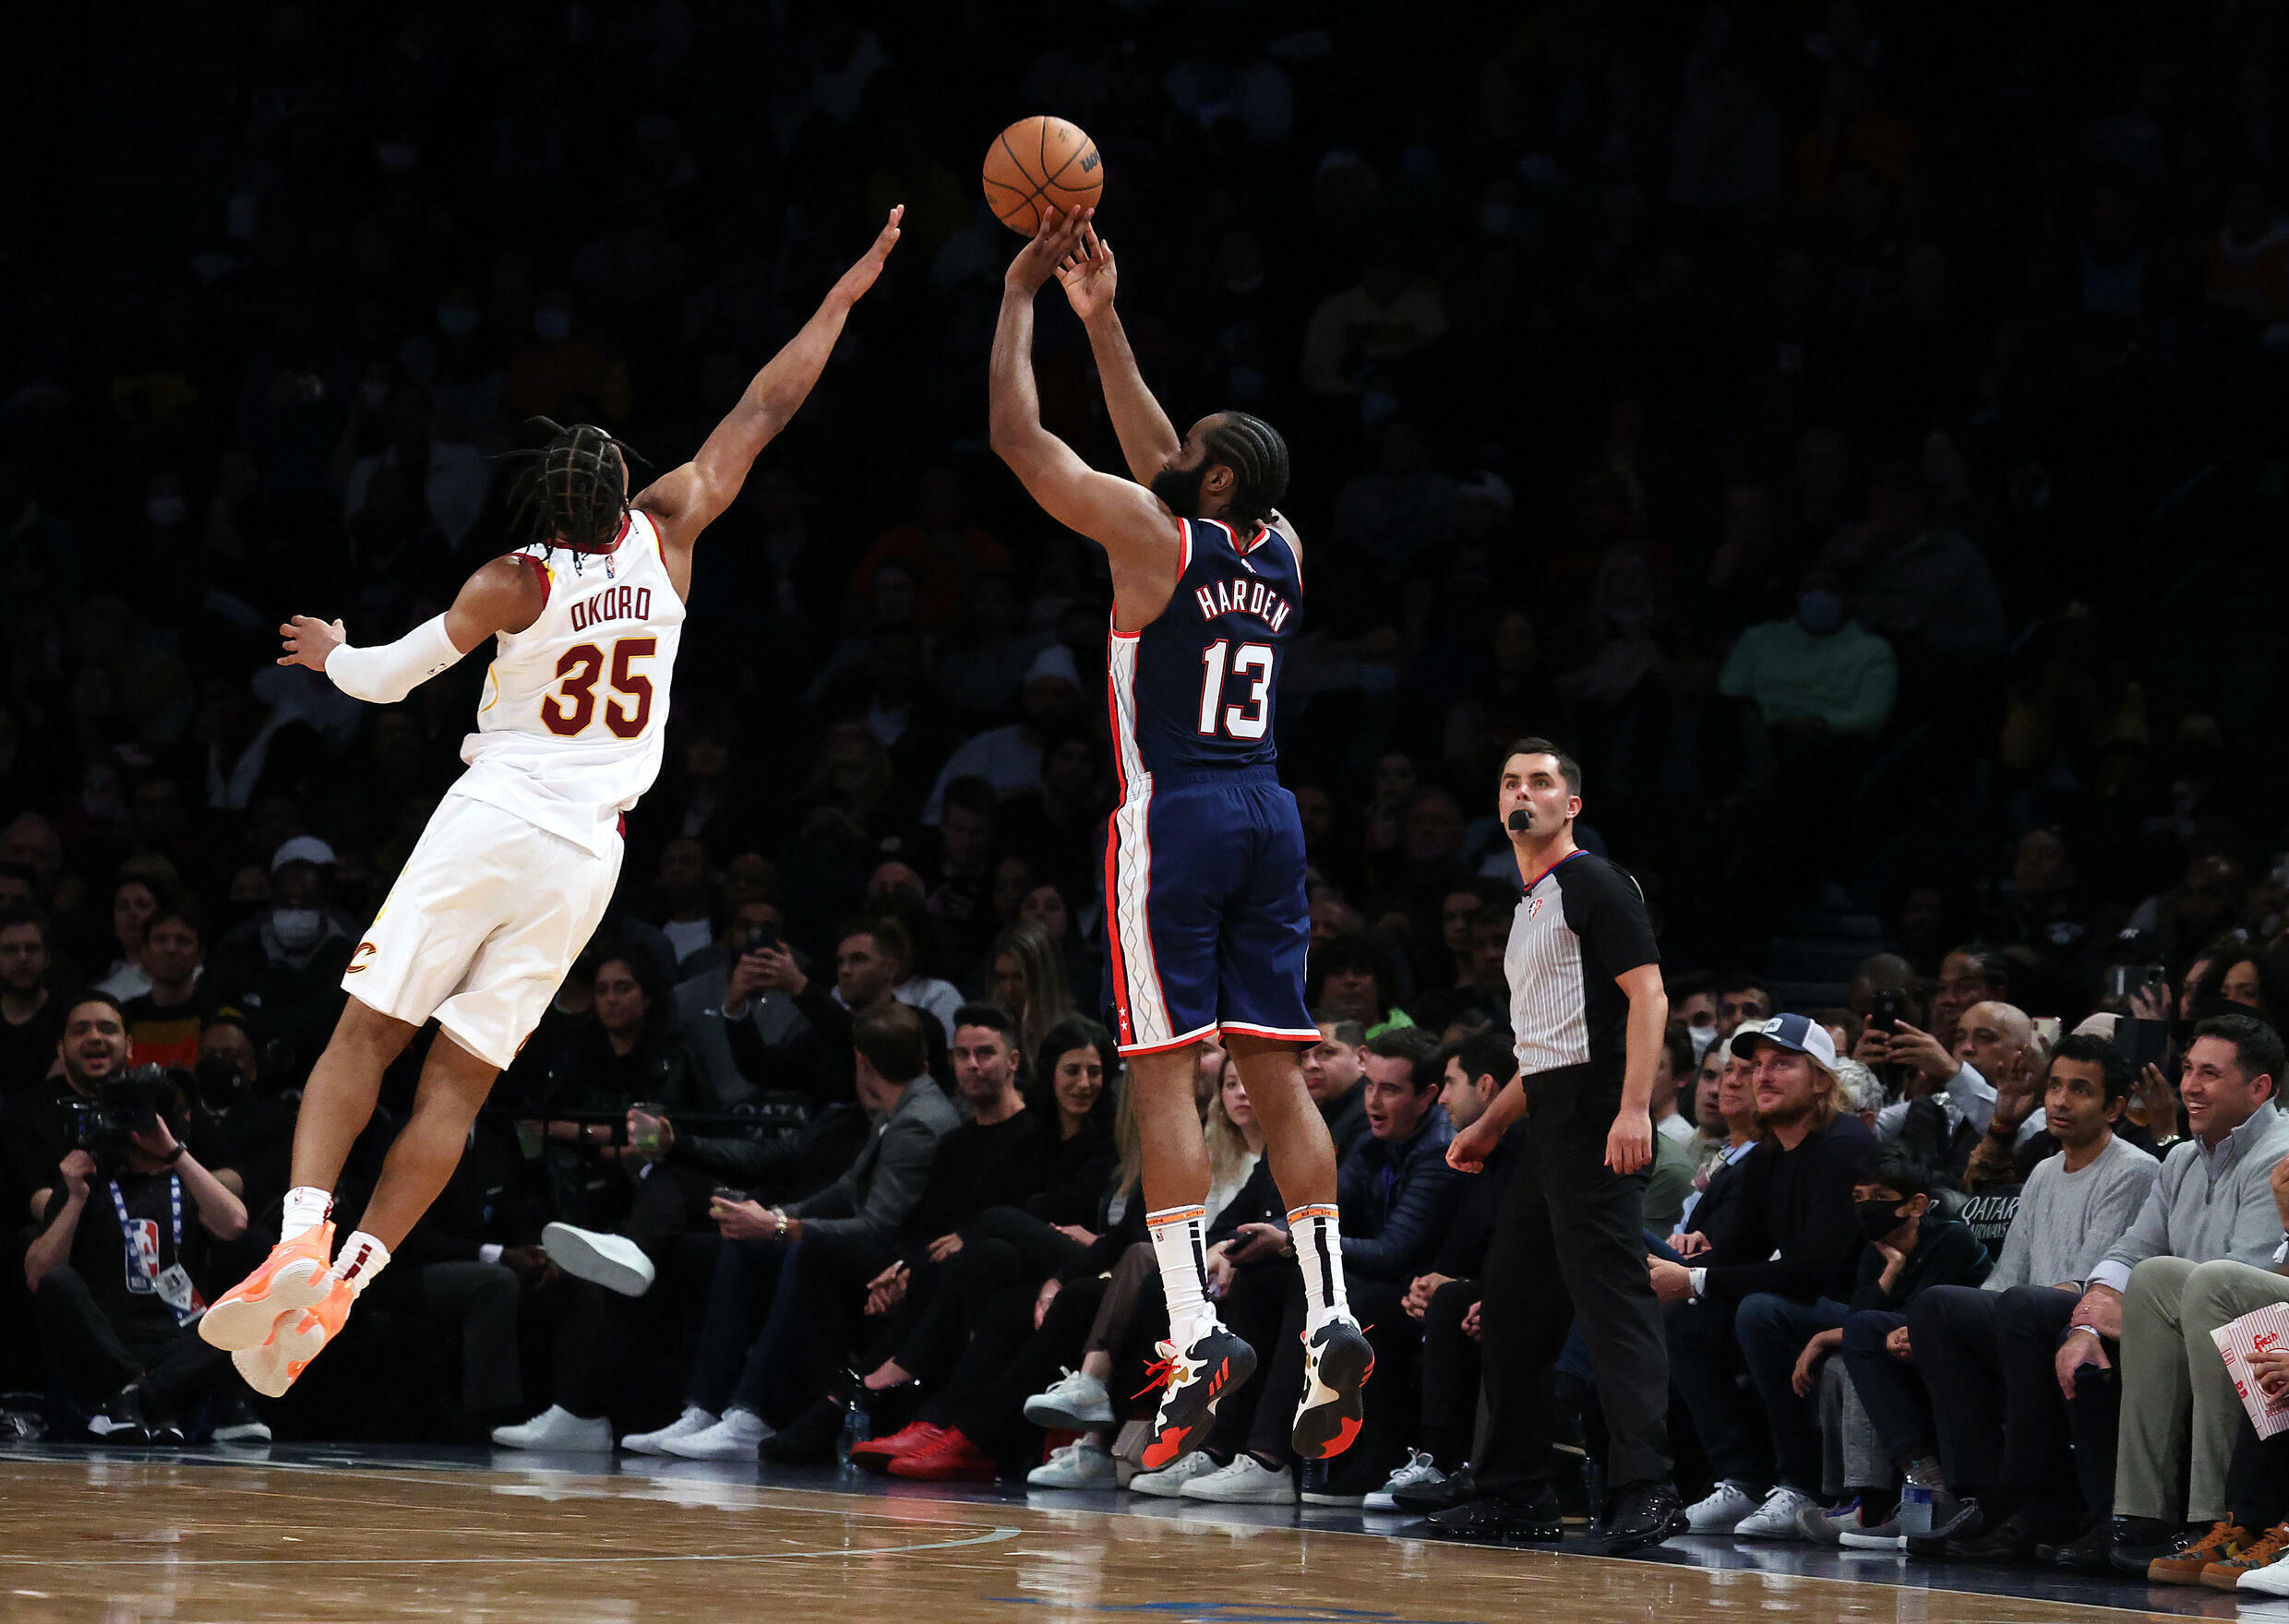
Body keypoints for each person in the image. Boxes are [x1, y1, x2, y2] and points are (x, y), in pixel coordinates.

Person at [199, 209, 906, 1397]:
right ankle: (352, 1280)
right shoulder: (674, 531)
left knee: (364, 1037)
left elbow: (386, 680)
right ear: (627, 488)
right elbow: (765, 407)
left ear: (541, 504)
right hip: (586, 857)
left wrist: (327, 651)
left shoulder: (511, 579)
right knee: (461, 1085)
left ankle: (304, 1234)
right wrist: (844, 292)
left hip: (493, 818)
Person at [989, 205, 1369, 1470]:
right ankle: (1331, 1309)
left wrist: (1023, 301)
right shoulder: (1285, 548)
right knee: (1274, 1066)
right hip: (1272, 812)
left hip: (1178, 817)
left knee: (1162, 1070)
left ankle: (1196, 1324)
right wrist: (1111, 328)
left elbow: (1020, 441)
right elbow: (1170, 457)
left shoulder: (1150, 542)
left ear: (1206, 484)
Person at [1434, 739, 1685, 1554]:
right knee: (1512, 1307)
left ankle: (1648, 1490)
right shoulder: (1529, 905)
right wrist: (1488, 1123)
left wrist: (1632, 1109)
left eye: (1541, 782)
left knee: (1612, 1301)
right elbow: (1542, 1044)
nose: (1524, 792)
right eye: (1511, 781)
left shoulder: (1595, 882)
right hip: (1549, 1115)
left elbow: (1648, 996)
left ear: (1570, 805)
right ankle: (1515, 1493)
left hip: (1594, 1115)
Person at [1886, 1035, 2162, 1560]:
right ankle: (1981, 1492)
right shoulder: (2040, 1171)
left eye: (2080, 1090)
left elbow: (2095, 1278)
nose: (2060, 1101)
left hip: (2086, 1316)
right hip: (2026, 1315)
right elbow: (2005, 1274)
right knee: (1935, 1307)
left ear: (2116, 1107)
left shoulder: (2133, 1169)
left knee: (2022, 1305)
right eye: (2054, 1086)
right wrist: (1928, 1324)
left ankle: (2032, 1495)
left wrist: (2014, 1302)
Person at [1653, 1014, 1875, 1537]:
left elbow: (1814, 1271)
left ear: (1821, 1078)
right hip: (1802, 1302)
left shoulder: (1845, 1146)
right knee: (1687, 1314)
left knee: (1758, 1310)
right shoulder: (1770, 1154)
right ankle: (1744, 1480)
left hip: (1857, 1311)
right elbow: (1739, 1251)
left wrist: (1697, 1279)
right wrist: (1684, 1264)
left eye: (1783, 1063)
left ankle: (1801, 1484)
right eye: (1757, 1066)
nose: (1763, 1076)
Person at [25, 992, 258, 1443]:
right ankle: (143, 1394)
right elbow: (38, 1276)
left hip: (178, 1337)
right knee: (59, 1284)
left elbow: (236, 1225)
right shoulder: (90, 1181)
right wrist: (73, 1196)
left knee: (248, 1303)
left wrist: (175, 1153)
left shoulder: (188, 1179)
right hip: (106, 1339)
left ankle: (133, 1400)